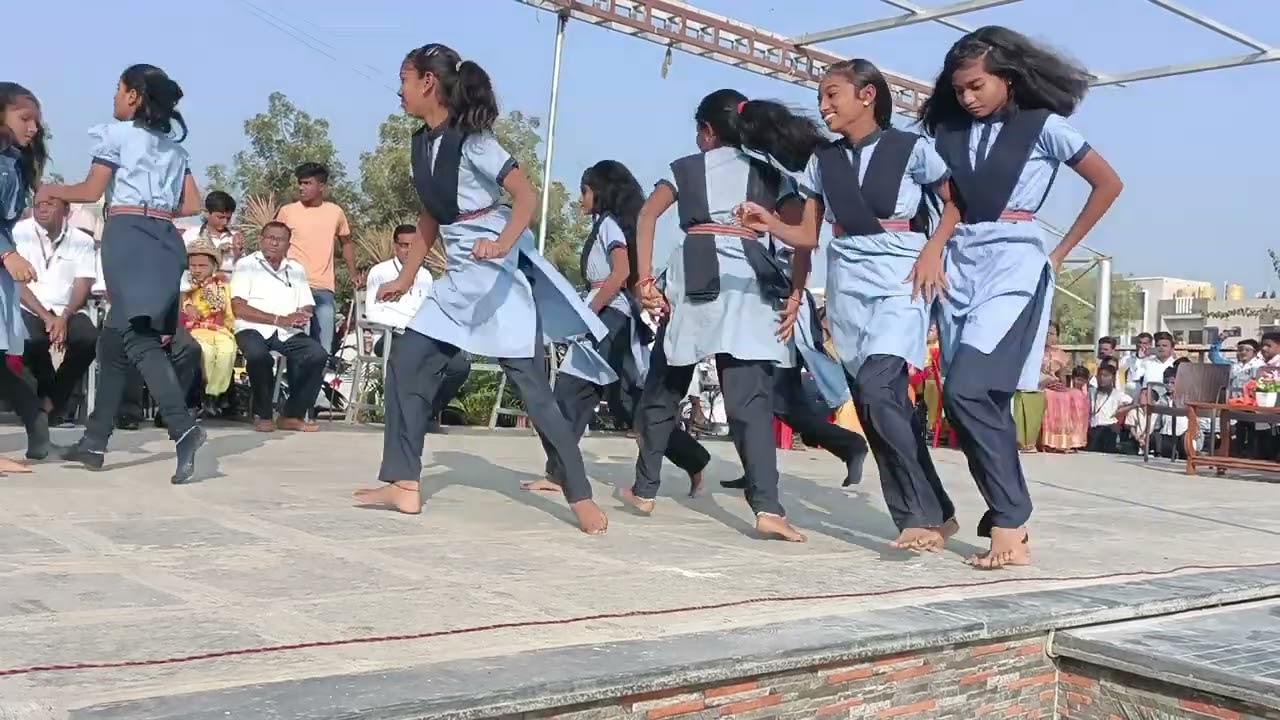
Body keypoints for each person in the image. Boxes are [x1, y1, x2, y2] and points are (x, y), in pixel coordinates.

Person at [352, 44, 610, 535]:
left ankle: (579, 494)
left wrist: (502, 242)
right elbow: (432, 213)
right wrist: (407, 275)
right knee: (405, 363)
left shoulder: (475, 141)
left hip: (499, 278)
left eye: (404, 79)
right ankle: (404, 482)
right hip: (459, 279)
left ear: (428, 82)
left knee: (534, 392)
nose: (399, 89)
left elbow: (526, 195)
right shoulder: (421, 144)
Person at [917, 26, 1123, 568]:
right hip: (958, 264)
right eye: (959, 88)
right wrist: (933, 248)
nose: (968, 96)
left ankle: (1011, 518)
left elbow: (1108, 183)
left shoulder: (1045, 128)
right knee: (982, 404)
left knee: (966, 391)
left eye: (978, 85)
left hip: (1015, 262)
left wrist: (1060, 252)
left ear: (1007, 78)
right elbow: (942, 203)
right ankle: (1003, 520)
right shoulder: (946, 134)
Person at [738, 58, 956, 550]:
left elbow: (955, 201)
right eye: (821, 95)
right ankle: (938, 511)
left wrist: (934, 249)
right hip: (848, 287)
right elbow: (809, 235)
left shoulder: (912, 148)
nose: (824, 104)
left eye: (832, 93)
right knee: (877, 405)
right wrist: (769, 223)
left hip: (902, 279)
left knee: (881, 393)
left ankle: (917, 516)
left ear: (867, 95)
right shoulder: (823, 162)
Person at [631, 88, 823, 542]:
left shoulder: (684, 168)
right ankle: (768, 508)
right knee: (749, 403)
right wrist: (796, 292)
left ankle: (644, 489)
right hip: (751, 286)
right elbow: (801, 237)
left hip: (695, 276)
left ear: (707, 131)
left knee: (664, 386)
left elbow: (645, 217)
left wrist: (644, 282)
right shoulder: (774, 174)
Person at [42, 65, 207, 482]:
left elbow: (91, 192)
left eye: (118, 90)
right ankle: (94, 442)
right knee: (113, 345)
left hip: (128, 234)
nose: (114, 97)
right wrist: (157, 207)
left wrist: (49, 189)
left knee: (137, 336)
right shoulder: (175, 150)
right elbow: (192, 204)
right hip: (165, 239)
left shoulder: (115, 136)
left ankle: (182, 426)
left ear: (134, 96)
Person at [527, 160, 710, 496]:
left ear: (600, 192)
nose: (580, 197)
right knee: (628, 404)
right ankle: (693, 458)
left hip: (608, 318)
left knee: (568, 395)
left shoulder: (609, 225)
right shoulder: (604, 224)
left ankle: (559, 473)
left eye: (584, 190)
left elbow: (620, 272)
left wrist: (589, 313)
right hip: (610, 318)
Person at [364, 223, 470, 432]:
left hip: (421, 335)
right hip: (390, 335)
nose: (409, 250)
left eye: (413, 245)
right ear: (396, 246)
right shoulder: (380, 272)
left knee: (459, 364)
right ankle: (404, 418)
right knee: (412, 356)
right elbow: (373, 312)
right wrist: (407, 324)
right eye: (403, 245)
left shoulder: (425, 276)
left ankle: (426, 413)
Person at [231, 221, 328, 433]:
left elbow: (307, 303)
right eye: (269, 238)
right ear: (261, 239)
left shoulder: (295, 269)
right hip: (251, 327)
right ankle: (264, 414)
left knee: (317, 354)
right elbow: (238, 307)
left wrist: (302, 314)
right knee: (258, 356)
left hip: (286, 331)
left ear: (288, 244)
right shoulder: (246, 264)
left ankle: (291, 414)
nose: (273, 243)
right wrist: (277, 319)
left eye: (279, 239)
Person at [0, 82, 51, 472]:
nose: (33, 127)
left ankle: (37, 425)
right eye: (24, 118)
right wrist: (8, 253)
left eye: (36, 120)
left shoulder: (14, 162)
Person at [14, 197, 98, 424]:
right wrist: (47, 317)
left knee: (89, 339)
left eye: (50, 203)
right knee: (30, 340)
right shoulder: (18, 232)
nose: (42, 207)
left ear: (67, 210)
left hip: (67, 309)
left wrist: (63, 317)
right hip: (28, 307)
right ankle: (45, 401)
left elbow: (83, 283)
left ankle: (53, 400)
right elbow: (15, 282)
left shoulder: (82, 240)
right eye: (37, 203)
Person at [276, 163, 356, 356]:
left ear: (321, 186)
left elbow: (346, 243)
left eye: (307, 183)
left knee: (324, 344)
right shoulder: (288, 211)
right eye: (300, 183)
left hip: (323, 288)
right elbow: (275, 242)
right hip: (294, 286)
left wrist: (353, 273)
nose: (301, 188)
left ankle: (319, 384)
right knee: (298, 342)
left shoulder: (335, 212)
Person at [180, 238, 236, 412]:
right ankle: (206, 394)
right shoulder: (185, 287)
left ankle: (214, 393)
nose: (196, 270)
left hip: (220, 330)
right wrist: (187, 305)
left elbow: (223, 308)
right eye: (193, 265)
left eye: (202, 266)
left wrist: (233, 329)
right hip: (195, 330)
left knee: (227, 351)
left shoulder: (222, 285)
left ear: (213, 267)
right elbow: (182, 302)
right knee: (207, 353)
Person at [183, 191, 242, 276]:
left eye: (228, 218)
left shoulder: (235, 238)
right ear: (207, 213)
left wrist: (237, 254)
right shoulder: (191, 235)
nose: (225, 222)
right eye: (220, 217)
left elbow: (243, 267)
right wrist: (217, 253)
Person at [1087, 363, 1131, 453]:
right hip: (1093, 430)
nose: (1102, 378)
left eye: (1106, 376)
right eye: (1100, 375)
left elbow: (1133, 403)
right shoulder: (1091, 391)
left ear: (1113, 378)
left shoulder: (1118, 394)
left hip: (1109, 429)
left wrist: (1121, 410)